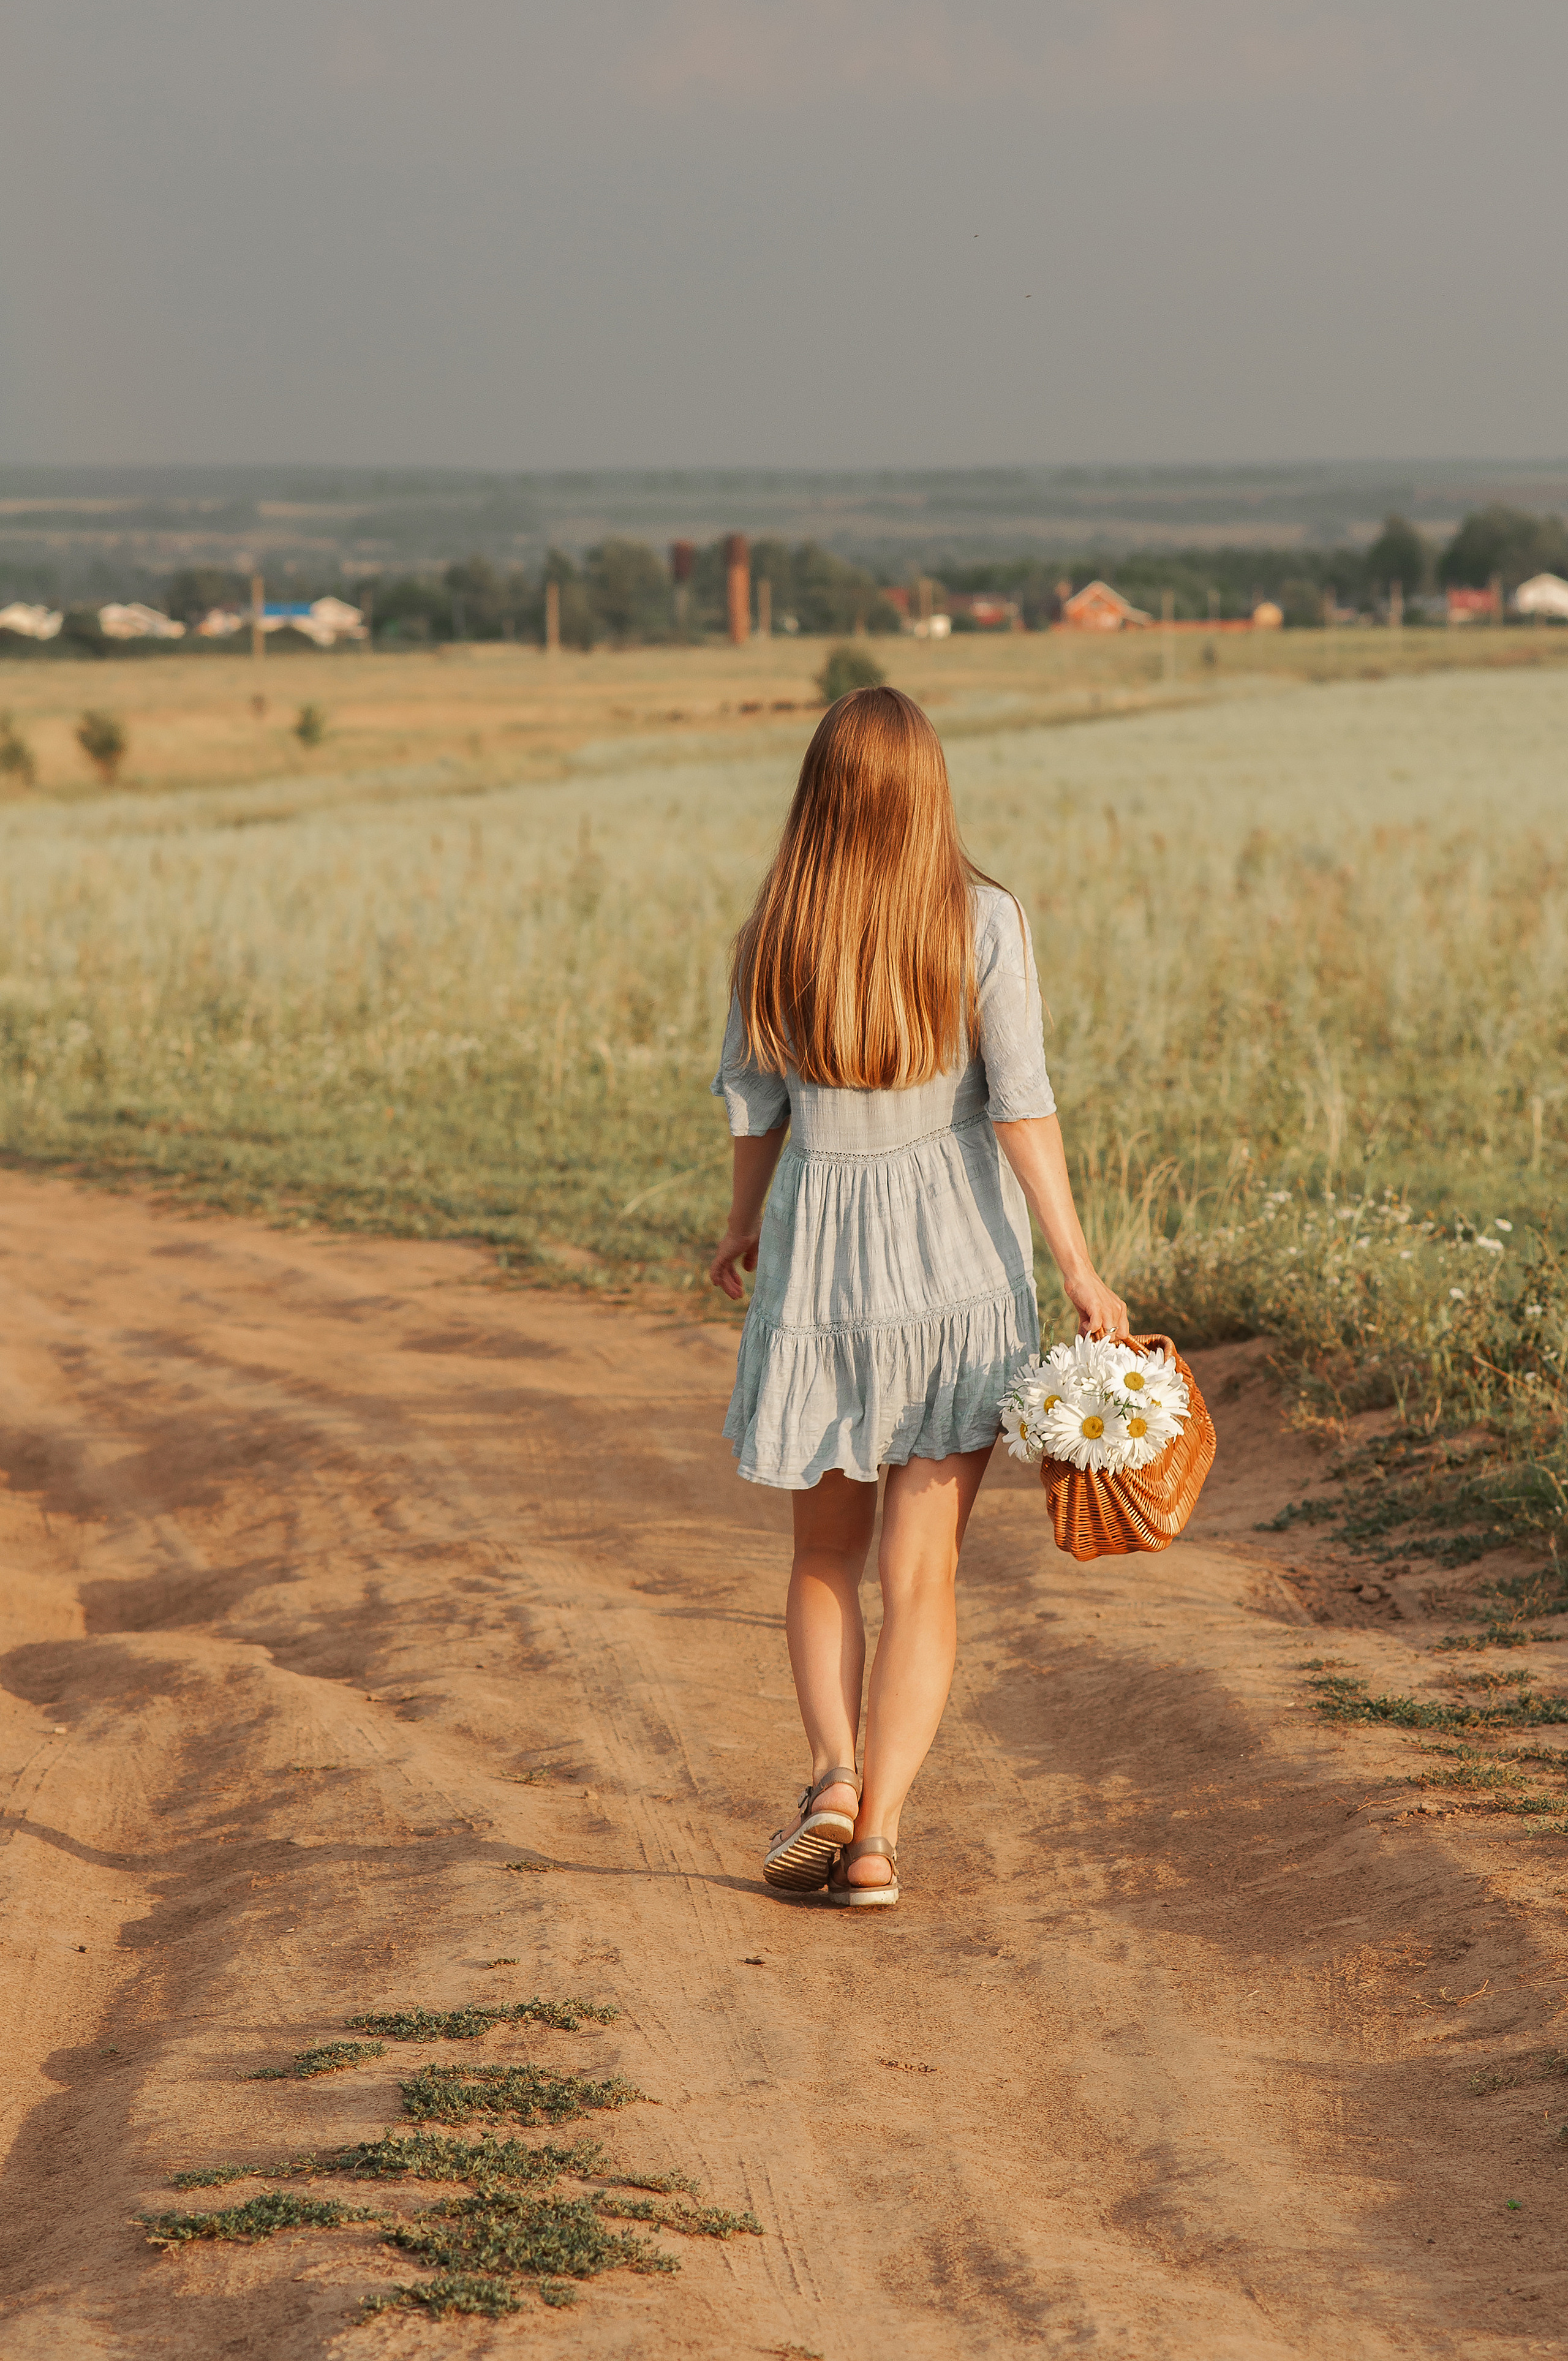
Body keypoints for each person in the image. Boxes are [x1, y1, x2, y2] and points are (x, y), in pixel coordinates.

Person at [708, 687, 1127, 1908]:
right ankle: (878, 1837)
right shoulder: (982, 920)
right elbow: (1020, 1102)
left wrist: (740, 1225)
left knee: (821, 1557)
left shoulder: (769, 937)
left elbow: (754, 1110)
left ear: (816, 793)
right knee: (921, 1574)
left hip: (817, 1279)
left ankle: (831, 1775)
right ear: (928, 788)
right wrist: (1077, 1263)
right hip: (955, 1277)